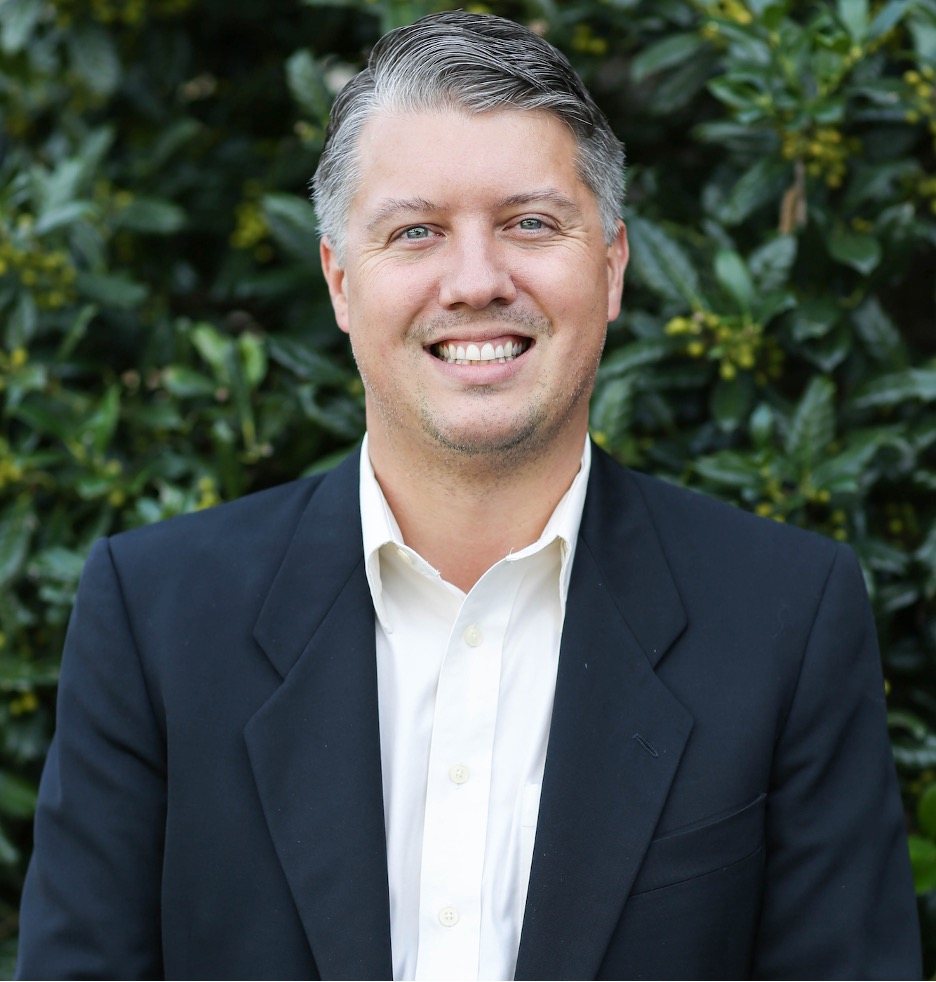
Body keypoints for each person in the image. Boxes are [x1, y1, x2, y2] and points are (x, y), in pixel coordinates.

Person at [16, 10, 920, 981]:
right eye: (417, 232)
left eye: (530, 223)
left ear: (612, 266)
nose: (478, 281)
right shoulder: (156, 618)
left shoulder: (787, 618)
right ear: (340, 282)